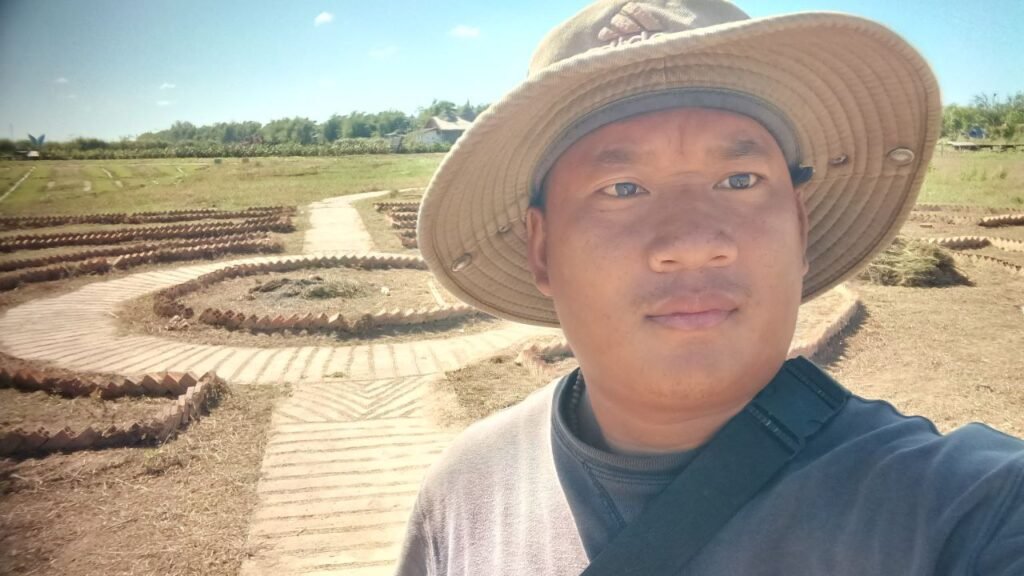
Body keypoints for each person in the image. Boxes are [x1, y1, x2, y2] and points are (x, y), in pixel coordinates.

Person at [397, 1, 1024, 574]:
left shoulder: (972, 509)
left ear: (800, 226)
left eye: (740, 180)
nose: (695, 242)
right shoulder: (464, 495)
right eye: (622, 189)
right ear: (542, 249)